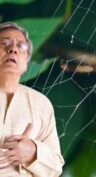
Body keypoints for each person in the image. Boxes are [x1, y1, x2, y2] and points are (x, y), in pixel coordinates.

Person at [0, 22, 64, 176]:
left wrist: (34, 152)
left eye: (21, 47)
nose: (13, 49)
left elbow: (56, 167)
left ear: (27, 62)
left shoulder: (41, 104)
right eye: (4, 43)